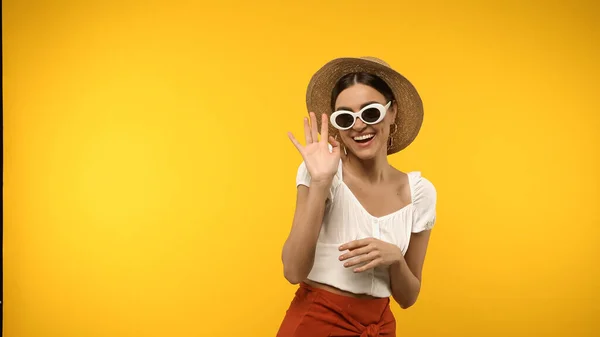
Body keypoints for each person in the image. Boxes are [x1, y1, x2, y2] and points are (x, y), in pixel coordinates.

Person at [276, 57, 438, 337]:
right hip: (317, 323)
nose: (359, 125)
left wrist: (395, 260)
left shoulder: (420, 193)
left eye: (371, 113)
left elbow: (408, 297)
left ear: (392, 112)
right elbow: (293, 271)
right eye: (345, 118)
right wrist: (321, 182)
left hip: (379, 328)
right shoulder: (321, 173)